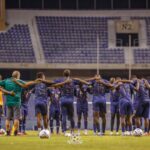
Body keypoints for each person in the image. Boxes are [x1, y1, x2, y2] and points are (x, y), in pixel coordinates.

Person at [0, 70, 38, 136]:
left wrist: (6, 91)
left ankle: (8, 132)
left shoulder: (6, 81)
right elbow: (27, 84)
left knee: (8, 118)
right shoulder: (18, 81)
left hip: (8, 102)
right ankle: (15, 132)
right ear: (18, 75)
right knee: (16, 118)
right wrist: (35, 81)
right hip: (17, 102)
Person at [53, 69, 89, 135]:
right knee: (71, 116)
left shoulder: (61, 80)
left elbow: (54, 85)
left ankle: (64, 131)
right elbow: (81, 81)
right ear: (69, 74)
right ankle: (72, 131)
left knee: (63, 116)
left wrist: (64, 83)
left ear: (64, 74)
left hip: (63, 100)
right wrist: (87, 83)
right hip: (70, 101)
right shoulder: (73, 80)